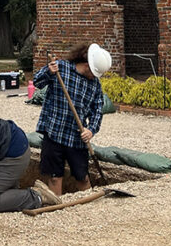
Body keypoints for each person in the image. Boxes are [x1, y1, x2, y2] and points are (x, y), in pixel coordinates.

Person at [33, 43, 112, 196]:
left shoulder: (94, 85)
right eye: (95, 73)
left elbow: (97, 110)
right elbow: (37, 82)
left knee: (82, 178)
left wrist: (91, 130)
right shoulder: (60, 68)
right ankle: (58, 208)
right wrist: (49, 72)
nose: (95, 77)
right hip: (54, 132)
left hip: (76, 137)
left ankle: (90, 206)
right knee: (55, 177)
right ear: (87, 65)